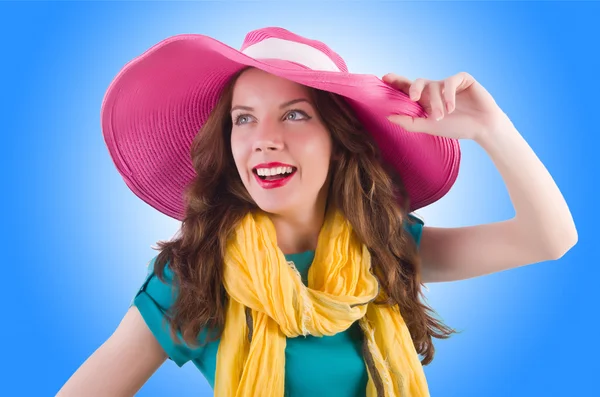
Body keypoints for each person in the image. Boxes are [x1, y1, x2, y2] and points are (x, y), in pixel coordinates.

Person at [57, 27, 577, 397]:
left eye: (295, 115)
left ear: (337, 141)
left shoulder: (386, 246)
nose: (264, 140)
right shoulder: (194, 275)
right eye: (244, 119)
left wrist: (493, 130)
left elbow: (548, 238)